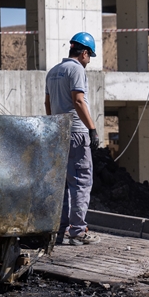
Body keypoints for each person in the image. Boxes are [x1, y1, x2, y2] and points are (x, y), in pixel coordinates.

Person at [45, 33, 100, 246]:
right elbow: (78, 101)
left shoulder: (53, 72)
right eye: (90, 56)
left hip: (59, 133)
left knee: (63, 184)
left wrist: (54, 126)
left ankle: (58, 231)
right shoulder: (76, 70)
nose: (89, 61)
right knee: (81, 181)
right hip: (76, 133)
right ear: (84, 53)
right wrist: (92, 129)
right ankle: (78, 231)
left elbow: (47, 103)